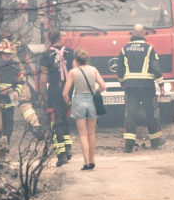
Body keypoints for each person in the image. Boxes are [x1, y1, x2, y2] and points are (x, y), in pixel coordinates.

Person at [117, 23, 165, 152]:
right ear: (144, 33)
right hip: (147, 86)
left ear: (132, 33)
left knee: (130, 114)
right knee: (150, 113)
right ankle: (154, 142)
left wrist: (122, 81)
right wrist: (161, 84)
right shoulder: (149, 48)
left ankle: (128, 145)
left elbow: (119, 68)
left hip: (130, 86)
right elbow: (155, 68)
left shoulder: (125, 48)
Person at [0, 38, 40, 143]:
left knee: (8, 130)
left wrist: (16, 92)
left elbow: (20, 81)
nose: (8, 56)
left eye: (10, 54)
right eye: (5, 54)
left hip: (9, 104)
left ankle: (6, 148)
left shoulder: (15, 66)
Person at [62, 49, 107, 170]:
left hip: (78, 101)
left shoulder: (73, 72)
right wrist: (94, 91)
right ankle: (92, 161)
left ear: (76, 60)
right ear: (87, 59)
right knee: (91, 134)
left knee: (83, 134)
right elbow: (103, 86)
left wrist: (68, 102)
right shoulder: (93, 70)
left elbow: (65, 93)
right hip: (92, 102)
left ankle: (86, 163)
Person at [40, 29, 75, 166]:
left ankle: (61, 155)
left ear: (49, 39)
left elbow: (43, 78)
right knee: (64, 117)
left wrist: (41, 94)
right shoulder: (70, 52)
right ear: (60, 38)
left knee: (55, 121)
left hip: (55, 89)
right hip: (68, 88)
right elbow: (75, 71)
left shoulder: (46, 54)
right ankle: (68, 147)